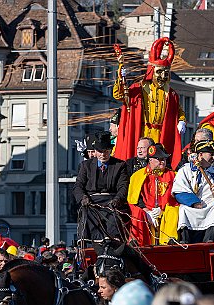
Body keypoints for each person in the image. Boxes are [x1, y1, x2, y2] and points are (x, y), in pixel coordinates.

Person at [113, 37, 186, 169]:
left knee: (159, 162)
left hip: (160, 133)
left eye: (166, 72)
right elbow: (119, 95)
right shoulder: (138, 88)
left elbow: (178, 110)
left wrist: (182, 120)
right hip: (142, 130)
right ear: (152, 71)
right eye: (160, 72)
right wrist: (120, 77)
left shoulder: (171, 93)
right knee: (141, 159)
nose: (163, 76)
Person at [172, 140, 214, 244]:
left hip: (209, 207)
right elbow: (179, 190)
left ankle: (210, 239)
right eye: (211, 154)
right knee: (183, 210)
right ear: (200, 155)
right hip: (192, 207)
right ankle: (185, 240)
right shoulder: (185, 170)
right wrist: (194, 203)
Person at [73, 131, 129, 243]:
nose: (103, 155)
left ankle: (112, 241)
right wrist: (83, 198)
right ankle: (88, 242)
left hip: (111, 201)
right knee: (86, 212)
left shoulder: (120, 165)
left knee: (115, 215)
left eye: (106, 151)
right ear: (95, 151)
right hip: (91, 201)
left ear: (110, 151)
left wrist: (117, 200)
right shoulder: (86, 165)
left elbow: (123, 187)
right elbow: (78, 186)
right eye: (100, 151)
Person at [127, 143, 179, 246]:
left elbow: (175, 196)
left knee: (173, 210)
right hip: (146, 210)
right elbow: (135, 199)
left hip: (165, 210)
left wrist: (162, 209)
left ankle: (169, 241)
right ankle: (137, 242)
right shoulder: (138, 176)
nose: (162, 161)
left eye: (164, 159)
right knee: (137, 212)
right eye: (159, 159)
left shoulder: (174, 175)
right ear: (150, 160)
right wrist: (147, 211)